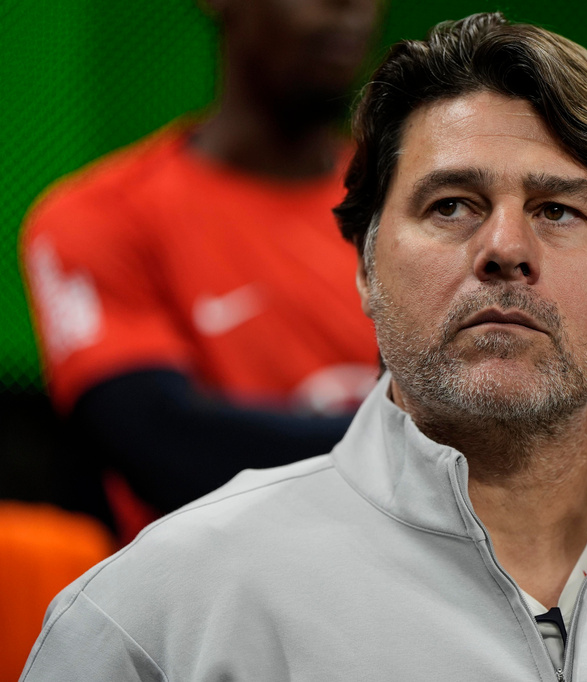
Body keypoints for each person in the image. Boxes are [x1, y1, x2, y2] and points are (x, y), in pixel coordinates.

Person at [20, 13, 587, 681]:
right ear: (363, 268)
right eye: (452, 205)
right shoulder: (150, 623)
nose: (504, 245)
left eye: (560, 210)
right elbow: (148, 427)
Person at [20, 0, 381, 539]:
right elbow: (164, 444)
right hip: (206, 605)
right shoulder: (98, 217)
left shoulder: (412, 208)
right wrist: (427, 443)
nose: (349, 6)